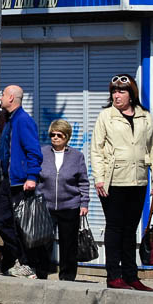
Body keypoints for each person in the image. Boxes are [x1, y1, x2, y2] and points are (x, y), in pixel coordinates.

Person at [92, 73, 153, 292]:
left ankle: (131, 276)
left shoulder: (145, 117)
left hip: (138, 179)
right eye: (113, 91)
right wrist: (99, 179)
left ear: (132, 94)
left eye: (121, 91)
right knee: (115, 228)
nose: (116, 95)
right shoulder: (106, 116)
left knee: (130, 229)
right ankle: (113, 276)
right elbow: (96, 149)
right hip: (113, 181)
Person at [0, 84, 42, 279]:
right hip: (8, 180)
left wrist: (32, 177)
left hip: (20, 181)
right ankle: (18, 260)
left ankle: (26, 263)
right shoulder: (10, 120)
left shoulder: (23, 120)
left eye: (3, 94)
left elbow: (34, 151)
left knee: (17, 224)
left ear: (11, 98)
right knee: (4, 220)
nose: (0, 97)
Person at [38, 119, 89, 281]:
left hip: (70, 205)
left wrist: (84, 203)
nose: (55, 138)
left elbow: (83, 181)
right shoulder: (42, 153)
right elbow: (36, 177)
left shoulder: (77, 156)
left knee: (69, 244)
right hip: (46, 205)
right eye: (52, 135)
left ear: (66, 137)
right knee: (43, 242)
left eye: (59, 135)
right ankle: (41, 273)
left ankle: (67, 277)